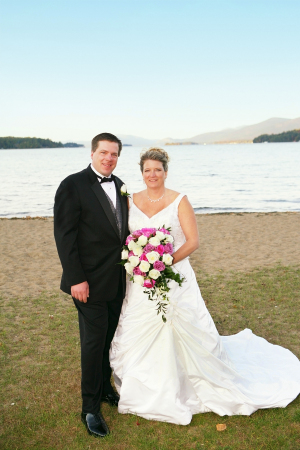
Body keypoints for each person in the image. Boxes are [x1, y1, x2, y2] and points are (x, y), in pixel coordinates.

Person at [110, 147, 300, 425]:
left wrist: (162, 262)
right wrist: (143, 264)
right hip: (141, 279)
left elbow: (192, 241)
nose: (153, 174)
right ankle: (143, 378)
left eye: (158, 170)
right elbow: (126, 236)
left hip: (173, 275)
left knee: (180, 323)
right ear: (141, 172)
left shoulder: (179, 200)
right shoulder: (129, 200)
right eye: (147, 170)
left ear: (165, 171)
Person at [54, 132, 129, 438]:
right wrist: (76, 279)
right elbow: (65, 236)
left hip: (116, 280)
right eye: (104, 153)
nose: (109, 158)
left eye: (114, 154)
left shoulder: (122, 185)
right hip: (87, 283)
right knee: (92, 343)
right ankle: (90, 408)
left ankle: (105, 389)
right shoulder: (72, 185)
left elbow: (121, 231)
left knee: (108, 339)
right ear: (92, 153)